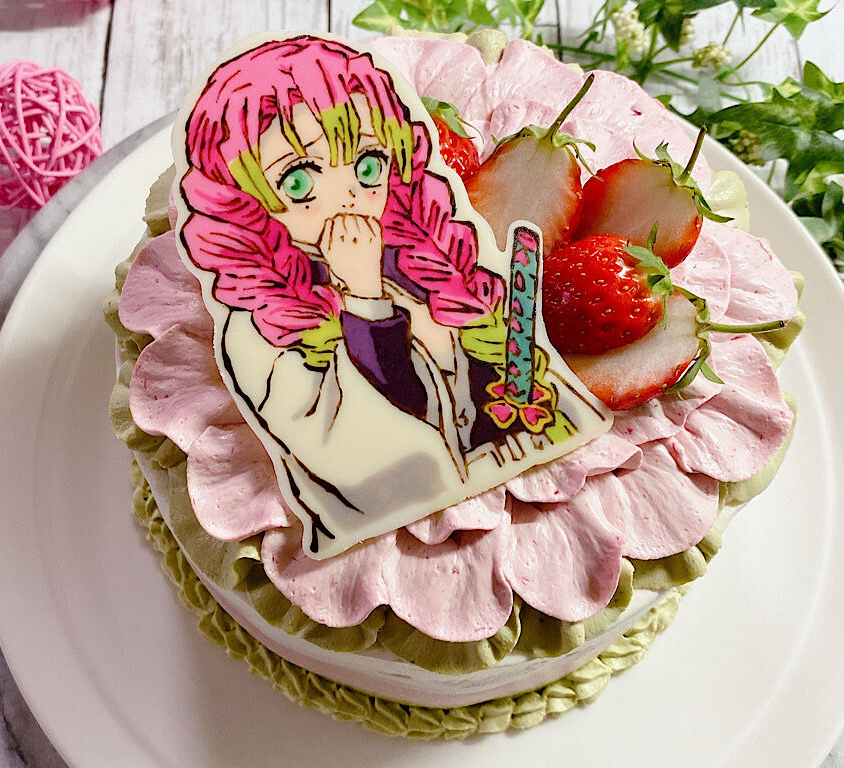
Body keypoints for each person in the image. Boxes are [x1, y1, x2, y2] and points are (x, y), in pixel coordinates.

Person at [175, 35, 608, 557]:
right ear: (240, 205)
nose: (348, 198)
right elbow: (352, 451)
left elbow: (522, 394)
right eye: (298, 183)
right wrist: (364, 302)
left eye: (367, 166)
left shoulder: (427, 255)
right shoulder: (261, 327)